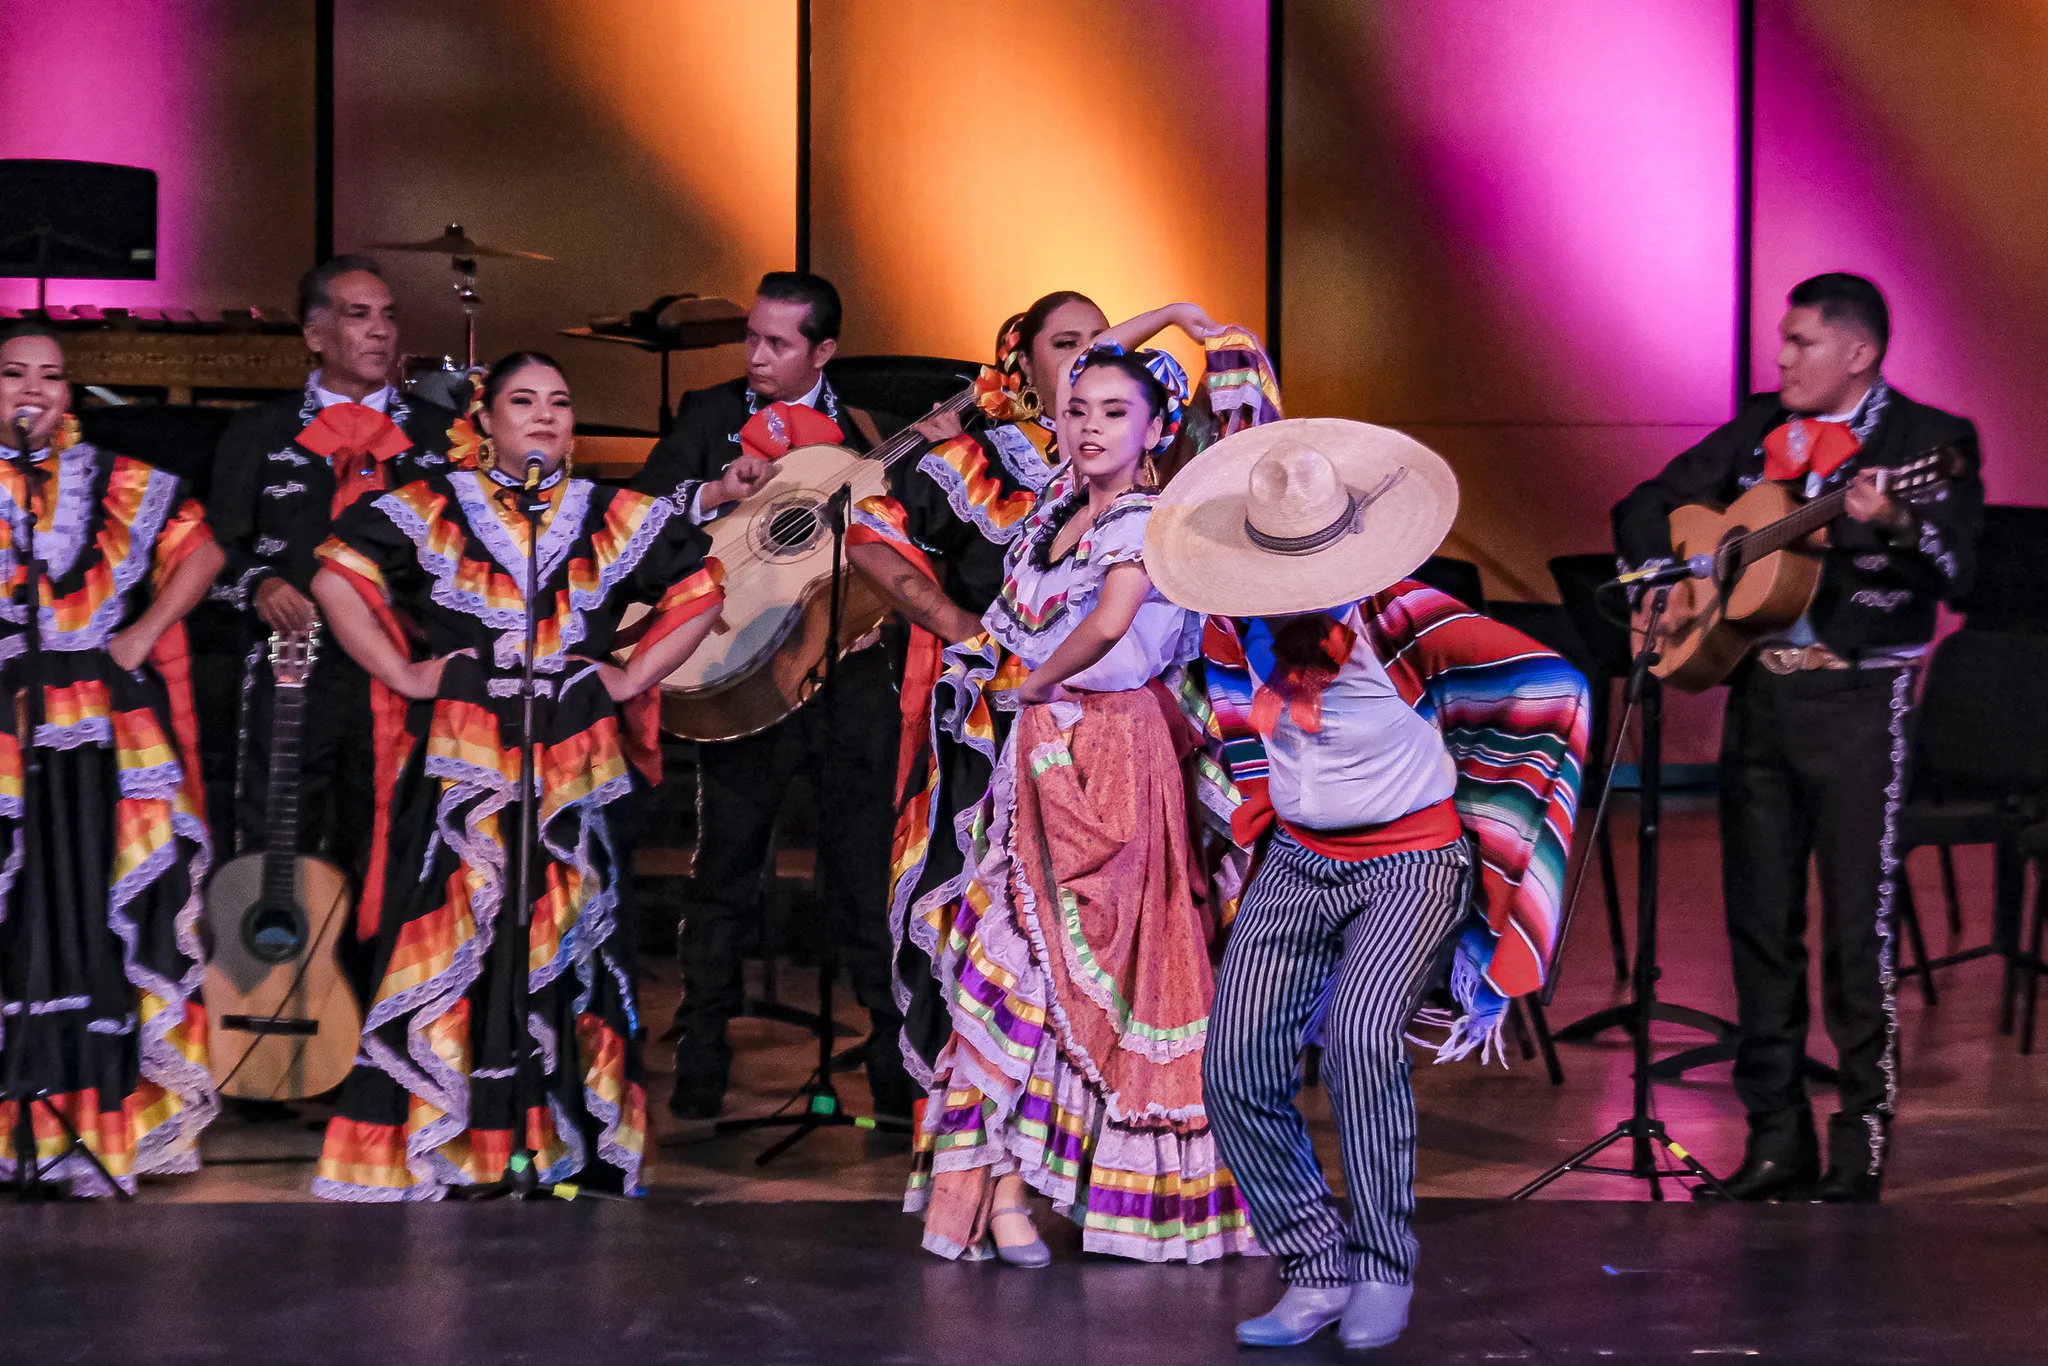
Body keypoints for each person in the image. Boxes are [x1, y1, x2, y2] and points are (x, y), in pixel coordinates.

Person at [1147, 419, 1588, 1349]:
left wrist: (1493, 800)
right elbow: (1238, 724)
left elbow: (1551, 685)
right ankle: (1314, 1264)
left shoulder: (1405, 617)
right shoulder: (1233, 623)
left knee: (1360, 1037)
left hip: (1411, 863)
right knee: (1233, 1064)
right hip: (1299, 860)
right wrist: (1259, 807)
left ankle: (1383, 1261)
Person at [308, 352, 748, 1200]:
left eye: (559, 400)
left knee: (566, 937)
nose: (545, 415)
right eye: (522, 400)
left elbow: (701, 586)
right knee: (459, 932)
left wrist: (631, 675)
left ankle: (559, 1142)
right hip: (467, 755)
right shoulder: (434, 506)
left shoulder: (608, 513)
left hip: (570, 757)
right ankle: (455, 1136)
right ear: (485, 421)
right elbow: (335, 576)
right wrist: (401, 674)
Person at [905, 319, 1269, 1269]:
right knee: (1022, 965)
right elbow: (1085, 356)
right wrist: (1171, 314)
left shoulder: (1146, 520)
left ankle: (1029, 1193)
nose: (1090, 425)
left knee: (1080, 968)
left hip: (1111, 750)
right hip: (1041, 749)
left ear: (1155, 429)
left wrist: (1031, 682)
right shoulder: (1057, 510)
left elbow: (1110, 623)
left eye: (1115, 412)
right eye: (1076, 410)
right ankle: (1004, 1194)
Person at [1614, 272, 1984, 1204]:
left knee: (1858, 933)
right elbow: (1648, 503)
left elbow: (1960, 573)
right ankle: (1777, 1138)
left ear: (1859, 353)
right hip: (1761, 698)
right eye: (1782, 341)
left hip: (1863, 702)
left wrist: (1895, 518)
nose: (1780, 359)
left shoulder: (1929, 441)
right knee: (1759, 927)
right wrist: (1678, 572)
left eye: (1801, 343)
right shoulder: (1758, 430)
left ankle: (1861, 1138)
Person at [628, 271, 913, 1121]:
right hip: (740, 666)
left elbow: (907, 545)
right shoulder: (708, 415)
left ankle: (893, 1070)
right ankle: (702, 1056)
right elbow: (633, 516)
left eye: (777, 343)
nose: (755, 355)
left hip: (845, 680)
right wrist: (715, 492)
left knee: (863, 876)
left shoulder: (868, 431)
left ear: (823, 350)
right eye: (751, 337)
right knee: (723, 874)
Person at [846, 290, 1107, 1082]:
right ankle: (982, 1094)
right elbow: (869, 534)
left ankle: (1077, 1102)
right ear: (1021, 362)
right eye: (1067, 342)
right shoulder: (981, 458)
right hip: (995, 726)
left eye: (1102, 340)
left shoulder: (1130, 462)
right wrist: (959, 626)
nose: (1087, 356)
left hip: (1103, 726)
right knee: (990, 905)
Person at [0, 323, 225, 1193]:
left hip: (102, 724)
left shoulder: (116, 480)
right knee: (20, 915)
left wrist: (142, 632)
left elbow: (203, 548)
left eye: (51, 375)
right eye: (14, 373)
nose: (34, 389)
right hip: (9, 720)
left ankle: (93, 1121)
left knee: (98, 915)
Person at [207, 255, 455, 897]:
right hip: (291, 666)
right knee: (277, 835)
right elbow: (212, 549)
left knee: (389, 833)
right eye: (358, 315)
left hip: (403, 669)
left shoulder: (443, 437)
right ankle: (277, 957)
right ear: (315, 334)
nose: (380, 331)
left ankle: (377, 961)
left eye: (389, 316)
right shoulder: (258, 431)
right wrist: (260, 584)